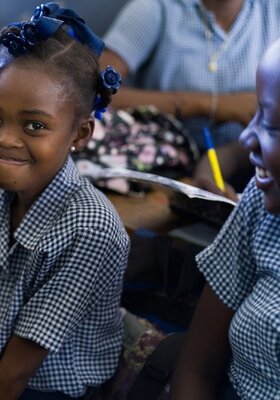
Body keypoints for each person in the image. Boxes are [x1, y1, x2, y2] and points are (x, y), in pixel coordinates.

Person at [0, 3, 129, 399]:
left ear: (80, 134)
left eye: (35, 125)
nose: (5, 139)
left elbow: (14, 378)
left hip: (45, 391)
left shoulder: (91, 229)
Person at [170, 37, 280, 399]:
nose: (248, 135)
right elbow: (197, 368)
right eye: (256, 115)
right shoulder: (261, 206)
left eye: (273, 126)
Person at [100, 0, 280, 198]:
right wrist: (208, 105)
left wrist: (219, 162)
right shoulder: (157, 8)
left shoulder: (273, 12)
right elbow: (95, 92)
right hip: (160, 172)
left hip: (251, 172)